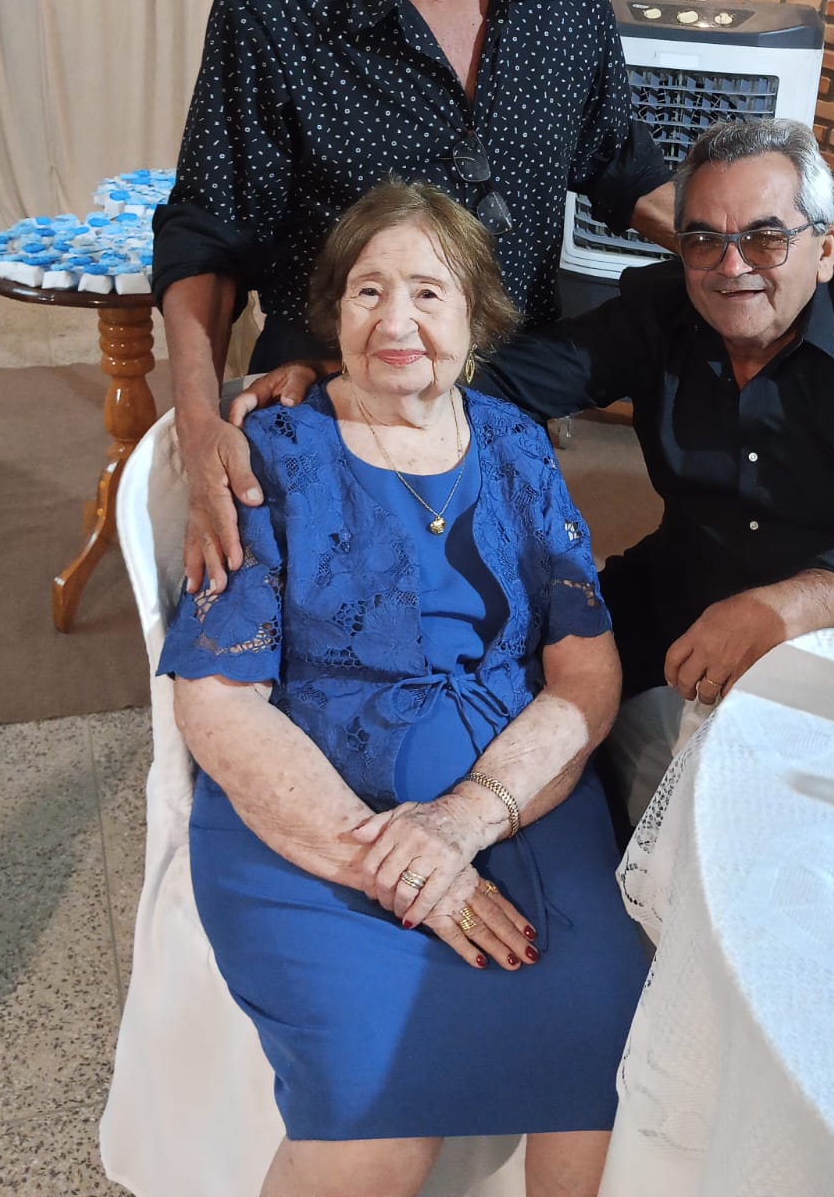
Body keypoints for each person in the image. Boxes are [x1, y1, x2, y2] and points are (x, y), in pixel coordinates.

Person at [159, 180, 649, 1197]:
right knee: (378, 1127)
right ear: (334, 312)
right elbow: (218, 699)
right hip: (314, 827)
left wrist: (465, 819)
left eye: (428, 292)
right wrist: (402, 865)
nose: (395, 321)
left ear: (476, 315)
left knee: (608, 1066)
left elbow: (586, 669)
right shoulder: (270, 454)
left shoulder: (515, 446)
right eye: (368, 290)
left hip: (518, 804)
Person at [153, 0, 674, 596]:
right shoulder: (273, 2)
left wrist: (754, 245)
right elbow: (207, 237)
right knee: (347, 628)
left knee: (511, 615)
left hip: (509, 388)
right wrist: (198, 430)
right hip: (336, 388)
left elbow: (619, 161)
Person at [235, 117, 834, 713]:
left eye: (766, 239)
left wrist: (787, 607)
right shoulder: (661, 313)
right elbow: (506, 381)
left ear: (825, 249)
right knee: (524, 692)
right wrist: (358, 368)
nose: (732, 267)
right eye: (703, 240)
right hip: (681, 583)